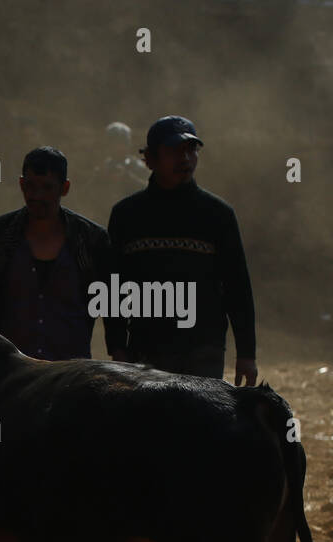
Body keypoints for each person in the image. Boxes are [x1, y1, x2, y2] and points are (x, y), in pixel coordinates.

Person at [106, 116, 258, 384]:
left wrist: (247, 353)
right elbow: (115, 284)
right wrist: (117, 346)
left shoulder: (217, 214)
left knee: (199, 424)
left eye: (191, 150)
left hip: (203, 347)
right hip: (147, 345)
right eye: (173, 151)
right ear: (149, 160)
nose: (185, 158)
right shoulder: (127, 215)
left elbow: (237, 286)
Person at [0, 146, 112, 360]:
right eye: (30, 186)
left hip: (69, 373)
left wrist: (118, 352)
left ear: (65, 188)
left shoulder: (91, 239)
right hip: (13, 369)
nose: (37, 196)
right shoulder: (2, 233)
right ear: (21, 184)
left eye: (47, 188)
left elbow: (109, 307)